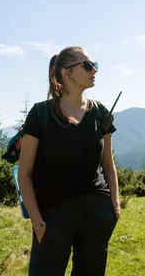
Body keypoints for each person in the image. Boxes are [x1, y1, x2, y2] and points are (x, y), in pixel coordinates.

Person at [18, 46, 120, 276]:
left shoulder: (100, 111)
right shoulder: (41, 114)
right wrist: (37, 222)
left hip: (97, 212)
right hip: (53, 215)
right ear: (66, 73)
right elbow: (24, 173)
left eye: (95, 65)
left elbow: (107, 163)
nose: (94, 70)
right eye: (87, 65)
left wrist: (114, 204)